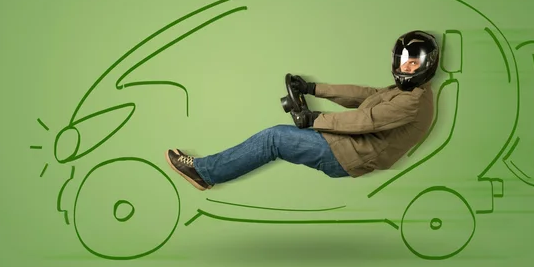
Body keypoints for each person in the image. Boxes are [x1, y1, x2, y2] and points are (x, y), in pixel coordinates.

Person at [165, 30, 439, 191]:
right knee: (275, 137)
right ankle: (208, 170)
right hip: (347, 145)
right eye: (404, 62)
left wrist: (314, 119)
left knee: (273, 138)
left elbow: (365, 120)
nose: (406, 67)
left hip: (348, 155)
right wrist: (312, 88)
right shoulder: (406, 92)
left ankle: (204, 173)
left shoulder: (413, 102)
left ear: (428, 64)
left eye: (413, 63)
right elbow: (365, 95)